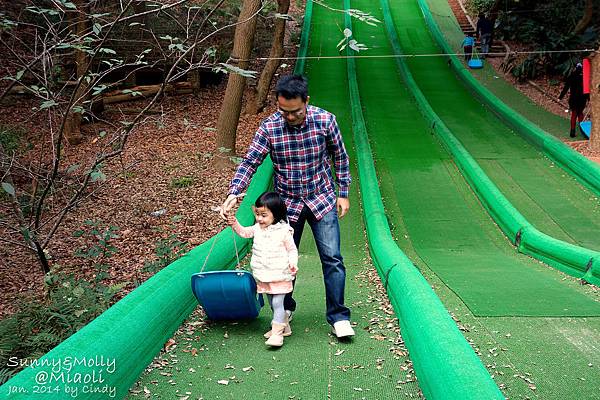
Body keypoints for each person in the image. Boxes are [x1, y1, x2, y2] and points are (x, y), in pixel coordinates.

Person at [220, 74, 355, 339]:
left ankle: (338, 316)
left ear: (306, 101)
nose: (289, 117)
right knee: (282, 261)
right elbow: (250, 162)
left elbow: (340, 156)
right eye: (284, 111)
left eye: (295, 111)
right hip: (287, 204)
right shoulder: (270, 127)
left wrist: (344, 192)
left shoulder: (325, 121)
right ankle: (285, 310)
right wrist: (235, 192)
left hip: (322, 197)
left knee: (332, 258)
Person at [227, 192, 298, 347]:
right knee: (272, 303)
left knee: (278, 303)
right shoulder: (257, 228)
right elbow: (244, 232)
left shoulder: (284, 231)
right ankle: (284, 327)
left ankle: (277, 334)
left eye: (264, 215)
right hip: (264, 274)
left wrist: (293, 263)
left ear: (276, 214)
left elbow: (292, 250)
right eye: (258, 214)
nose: (259, 218)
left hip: (280, 273)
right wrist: (234, 223)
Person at [559, 63, 590, 138]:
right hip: (582, 99)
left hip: (573, 98)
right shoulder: (584, 77)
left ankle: (572, 131)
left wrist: (560, 97)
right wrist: (589, 98)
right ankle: (583, 131)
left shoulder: (572, 76)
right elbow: (587, 89)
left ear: (576, 68)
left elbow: (566, 87)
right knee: (580, 114)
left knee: (574, 114)